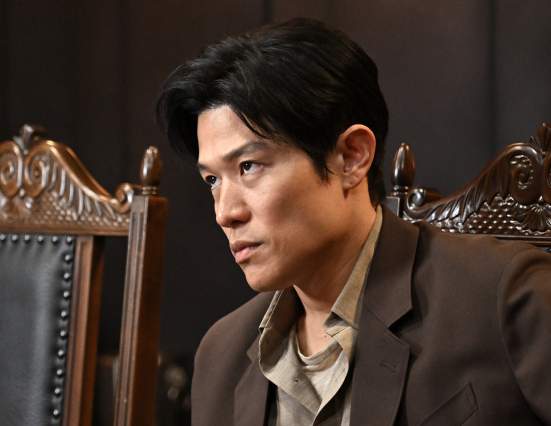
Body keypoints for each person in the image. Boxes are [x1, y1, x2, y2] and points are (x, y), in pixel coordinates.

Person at [155, 17, 551, 425]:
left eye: (249, 166)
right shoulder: (220, 356)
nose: (225, 213)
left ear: (351, 157)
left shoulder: (504, 298)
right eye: (213, 180)